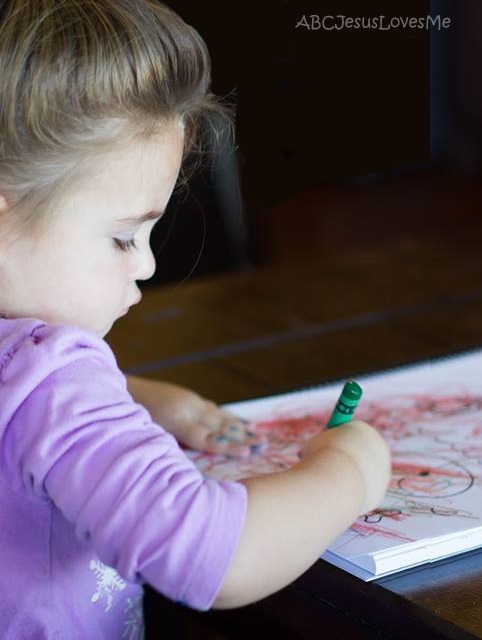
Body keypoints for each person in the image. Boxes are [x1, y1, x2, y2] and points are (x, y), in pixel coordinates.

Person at [0, 1, 391, 637]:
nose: (148, 265)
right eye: (125, 237)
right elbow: (218, 557)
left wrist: (138, 399)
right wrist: (351, 471)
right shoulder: (56, 382)